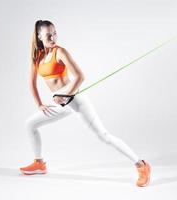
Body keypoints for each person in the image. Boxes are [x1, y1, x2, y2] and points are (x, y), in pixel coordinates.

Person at [20, 20, 151, 187]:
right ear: (39, 36)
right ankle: (39, 163)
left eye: (54, 33)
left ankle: (141, 165)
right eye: (48, 35)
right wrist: (40, 104)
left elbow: (80, 77)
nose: (53, 37)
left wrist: (66, 94)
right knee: (30, 124)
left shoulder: (60, 52)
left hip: (76, 100)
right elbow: (32, 83)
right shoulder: (37, 57)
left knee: (103, 136)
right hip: (60, 103)